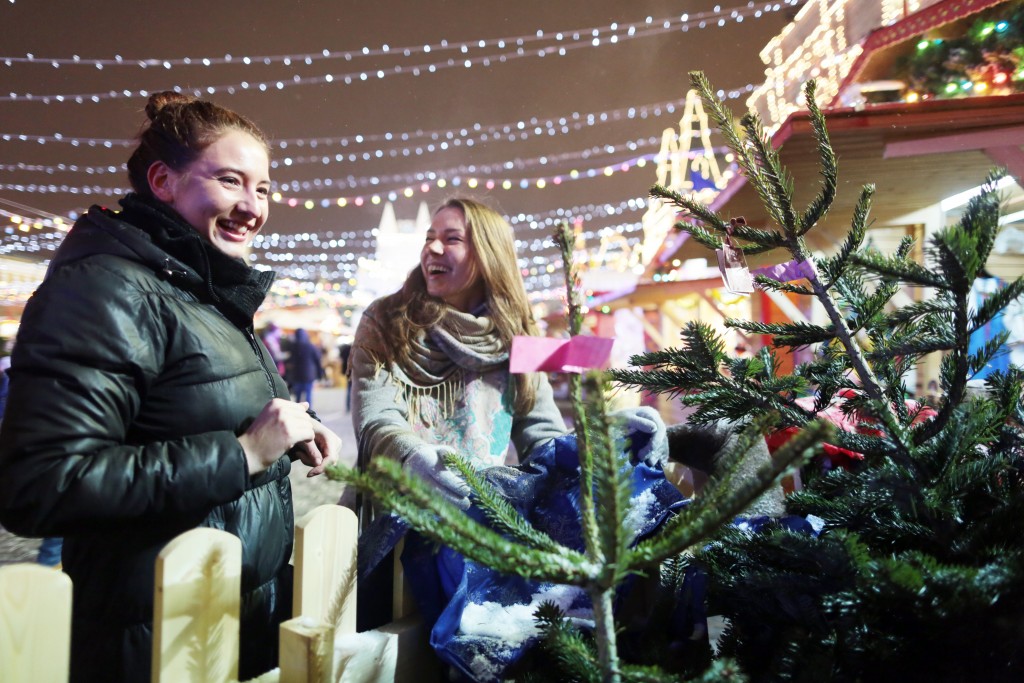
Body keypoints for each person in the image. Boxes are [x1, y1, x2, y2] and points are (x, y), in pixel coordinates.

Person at [0, 91, 342, 683]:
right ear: (163, 180)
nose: (252, 206)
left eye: (262, 188)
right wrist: (241, 454)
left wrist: (285, 428)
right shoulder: (107, 290)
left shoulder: (201, 292)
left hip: (224, 624)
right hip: (151, 640)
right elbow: (41, 482)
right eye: (230, 181)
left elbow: (194, 406)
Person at [349, 197, 570, 628]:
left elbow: (542, 431)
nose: (431, 249)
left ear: (488, 255)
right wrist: (414, 456)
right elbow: (376, 418)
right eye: (429, 238)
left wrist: (596, 451)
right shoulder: (388, 320)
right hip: (397, 530)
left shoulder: (517, 334)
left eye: (451, 239)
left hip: (482, 532)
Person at [287, 328, 325, 407]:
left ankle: (298, 411)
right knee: (308, 395)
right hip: (309, 375)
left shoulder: (293, 347)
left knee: (298, 395)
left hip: (297, 375)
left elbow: (291, 362)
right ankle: (309, 411)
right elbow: (317, 361)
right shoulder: (311, 346)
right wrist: (320, 374)